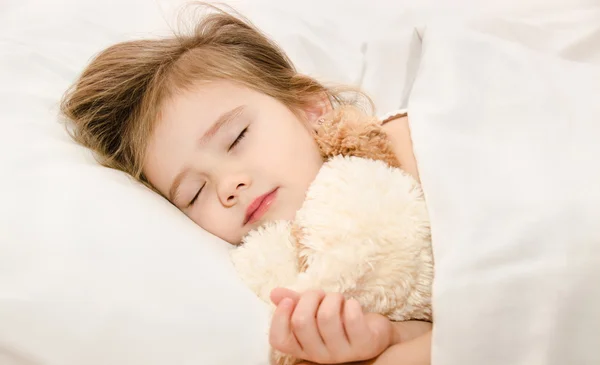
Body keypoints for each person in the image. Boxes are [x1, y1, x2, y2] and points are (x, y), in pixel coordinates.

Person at [60, 7, 432, 365]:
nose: (229, 186)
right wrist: (385, 337)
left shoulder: (407, 146)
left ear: (310, 108)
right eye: (194, 193)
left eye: (236, 138)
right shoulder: (288, 281)